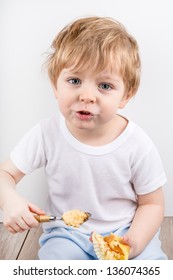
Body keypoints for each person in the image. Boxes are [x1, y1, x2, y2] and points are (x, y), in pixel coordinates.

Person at [0, 16, 167, 260]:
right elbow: (5, 174)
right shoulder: (47, 134)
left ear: (126, 95)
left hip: (126, 231)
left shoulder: (137, 144)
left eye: (105, 86)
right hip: (67, 234)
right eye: (74, 81)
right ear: (55, 86)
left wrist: (134, 243)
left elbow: (152, 204)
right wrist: (10, 201)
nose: (87, 96)